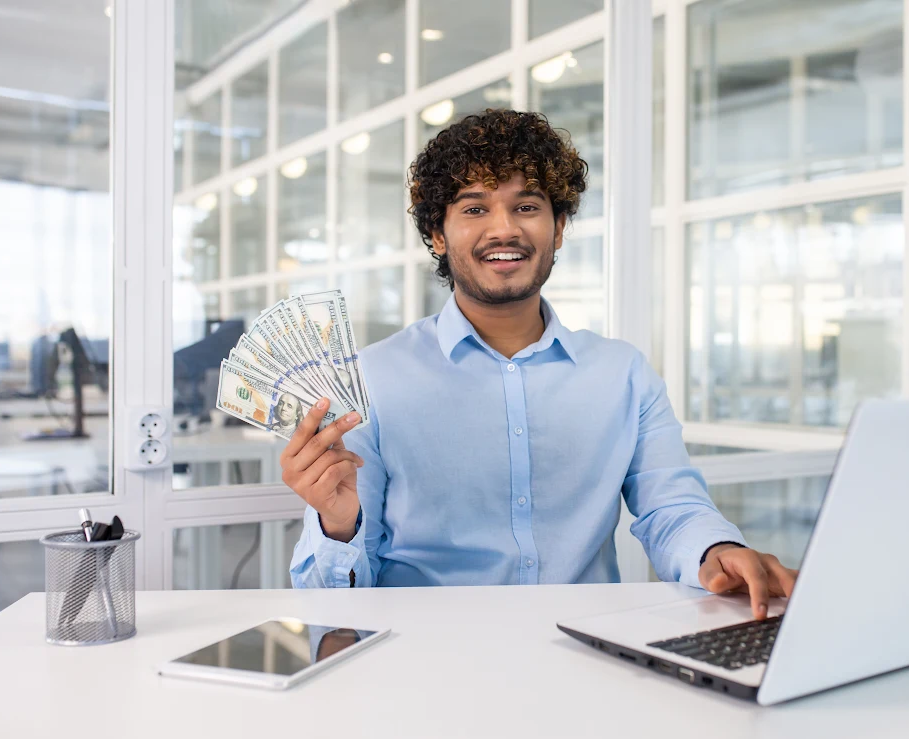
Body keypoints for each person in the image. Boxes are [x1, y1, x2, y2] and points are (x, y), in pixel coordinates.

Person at [284, 110, 796, 618]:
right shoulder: (368, 381)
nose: (504, 230)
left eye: (526, 205)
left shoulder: (623, 374)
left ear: (559, 227)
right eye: (474, 209)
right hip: (427, 664)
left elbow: (673, 507)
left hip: (586, 655)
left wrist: (717, 552)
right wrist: (337, 525)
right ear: (437, 235)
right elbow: (330, 603)